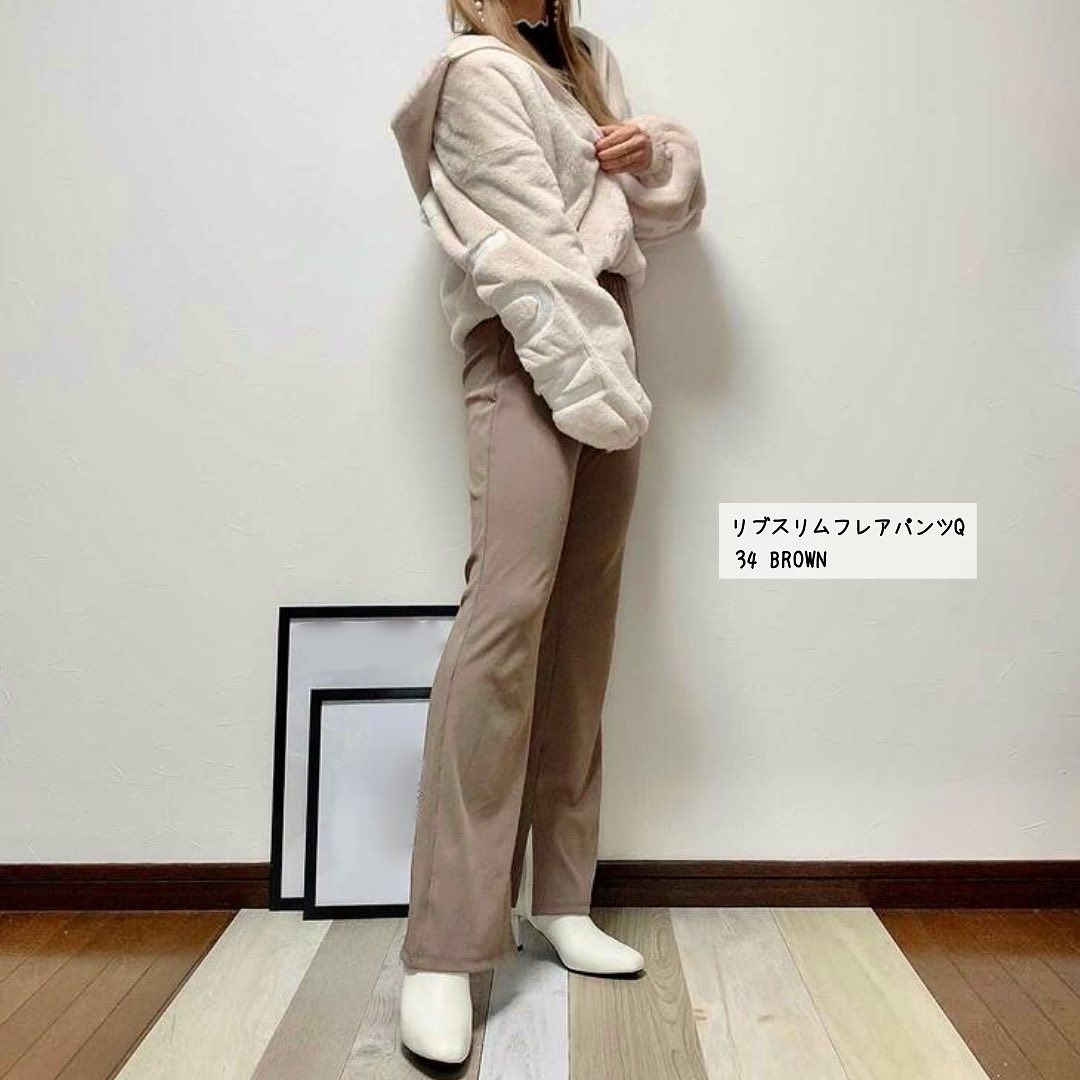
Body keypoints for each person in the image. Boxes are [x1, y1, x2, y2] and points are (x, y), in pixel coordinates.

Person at [389, 0, 706, 1063]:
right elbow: (524, 244)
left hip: (610, 342)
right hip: (530, 345)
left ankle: (562, 897)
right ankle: (445, 946)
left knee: (583, 624)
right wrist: (588, 369)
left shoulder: (587, 60)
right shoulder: (473, 73)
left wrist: (651, 153)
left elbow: (651, 217)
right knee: (506, 615)